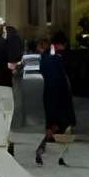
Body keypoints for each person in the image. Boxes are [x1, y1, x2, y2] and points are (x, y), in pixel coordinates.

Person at [33, 35, 75, 164]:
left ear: (41, 47)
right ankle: (58, 131)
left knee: (52, 113)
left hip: (51, 90)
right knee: (61, 114)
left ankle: (51, 132)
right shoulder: (57, 58)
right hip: (62, 91)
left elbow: (44, 73)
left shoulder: (45, 59)